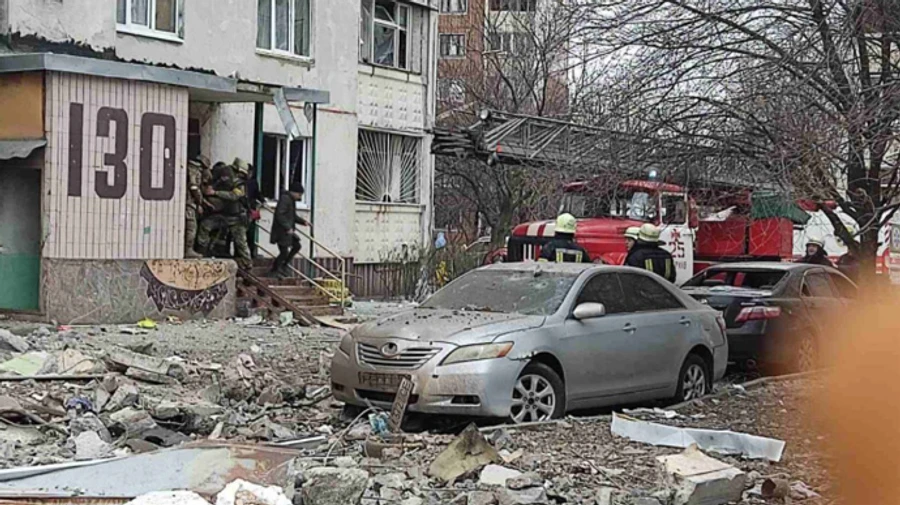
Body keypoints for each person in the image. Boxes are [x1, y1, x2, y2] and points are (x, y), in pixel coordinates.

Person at [195, 165, 253, 270]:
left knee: (241, 243)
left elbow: (233, 196)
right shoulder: (220, 182)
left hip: (236, 217)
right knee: (205, 226)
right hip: (221, 215)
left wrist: (215, 193)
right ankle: (201, 253)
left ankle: (247, 265)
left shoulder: (239, 184)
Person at [270, 182, 311, 277]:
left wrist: (303, 222)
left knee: (296, 246)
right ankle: (275, 269)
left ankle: (284, 265)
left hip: (287, 232)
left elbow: (292, 216)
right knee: (284, 252)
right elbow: (280, 214)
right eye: (299, 194)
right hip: (281, 232)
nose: (299, 197)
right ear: (294, 192)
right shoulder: (285, 199)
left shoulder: (290, 200)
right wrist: (287, 227)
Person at [184, 158, 206, 258]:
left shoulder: (188, 170)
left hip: (189, 204)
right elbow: (194, 187)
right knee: (191, 228)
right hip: (190, 205)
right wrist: (199, 201)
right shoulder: (193, 171)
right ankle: (188, 250)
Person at [243, 163, 263, 259]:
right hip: (243, 210)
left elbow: (257, 194)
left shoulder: (253, 182)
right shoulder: (240, 182)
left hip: (250, 210)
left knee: (250, 232)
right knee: (241, 232)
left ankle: (251, 252)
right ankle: (243, 253)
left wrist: (263, 201)